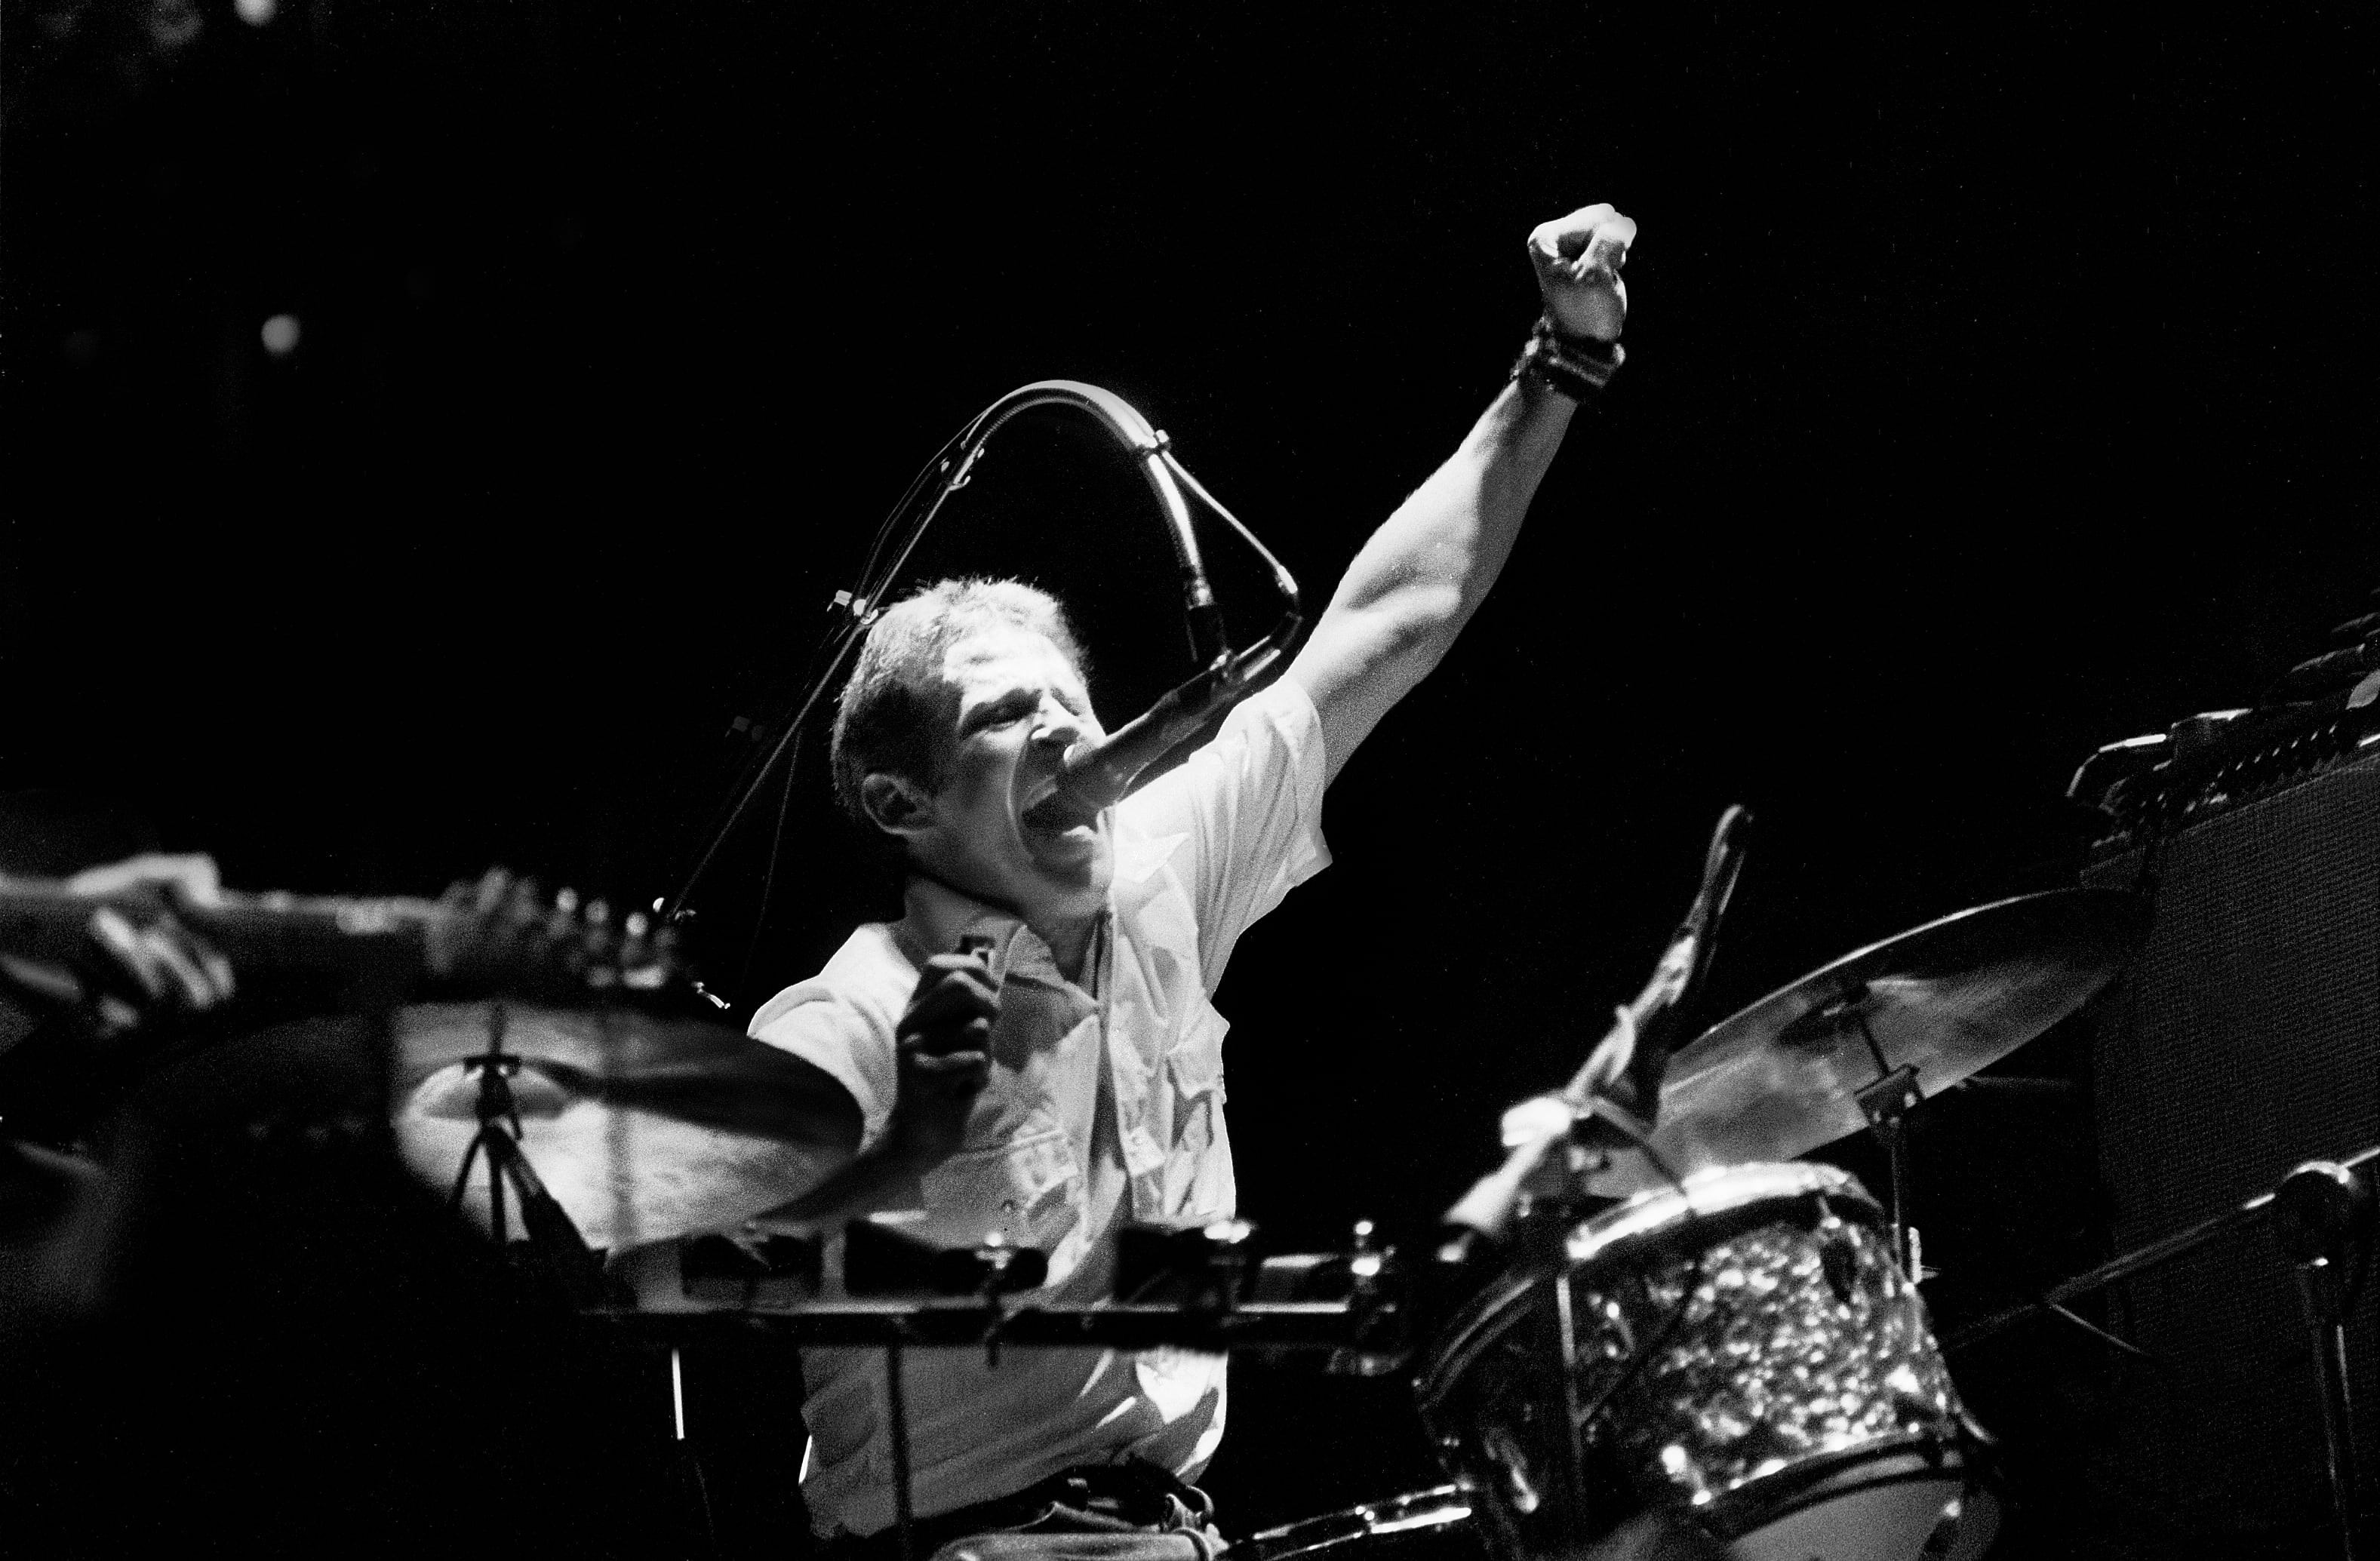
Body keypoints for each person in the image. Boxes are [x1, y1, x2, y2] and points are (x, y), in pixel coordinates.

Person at [740, 201, 1638, 1559]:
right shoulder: (853, 1014)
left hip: (1173, 1532)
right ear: (897, 802)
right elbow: (682, 1236)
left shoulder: (1157, 875)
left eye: (1072, 700)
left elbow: (1394, 619)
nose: (1065, 732)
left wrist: (1555, 367)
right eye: (1004, 715)